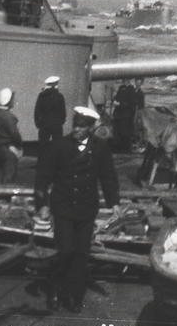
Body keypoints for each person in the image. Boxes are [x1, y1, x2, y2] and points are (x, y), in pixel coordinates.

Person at [35, 106, 120, 313]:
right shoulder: (59, 146)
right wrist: (43, 204)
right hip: (63, 206)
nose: (76, 129)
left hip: (86, 208)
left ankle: (73, 295)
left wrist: (114, 203)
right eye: (75, 125)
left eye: (81, 127)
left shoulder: (100, 147)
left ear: (91, 128)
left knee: (81, 254)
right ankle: (54, 288)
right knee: (66, 250)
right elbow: (43, 177)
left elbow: (107, 176)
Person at [0, 88, 22, 183]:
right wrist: (18, 147)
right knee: (8, 180)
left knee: (0, 178)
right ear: (9, 101)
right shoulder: (8, 117)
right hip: (8, 152)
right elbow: (15, 135)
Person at [35, 76, 67, 146]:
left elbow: (37, 111)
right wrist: (61, 122)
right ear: (54, 84)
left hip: (44, 125)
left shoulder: (41, 96)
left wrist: (38, 124)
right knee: (57, 146)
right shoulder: (59, 96)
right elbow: (63, 112)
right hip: (56, 125)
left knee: (43, 147)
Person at [111, 81, 142, 153]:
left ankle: (125, 149)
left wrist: (120, 104)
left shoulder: (131, 90)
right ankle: (116, 148)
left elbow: (131, 103)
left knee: (125, 132)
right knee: (116, 131)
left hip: (126, 115)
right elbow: (116, 97)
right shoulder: (121, 87)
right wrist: (114, 101)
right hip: (118, 114)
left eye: (127, 79)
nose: (125, 81)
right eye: (124, 79)